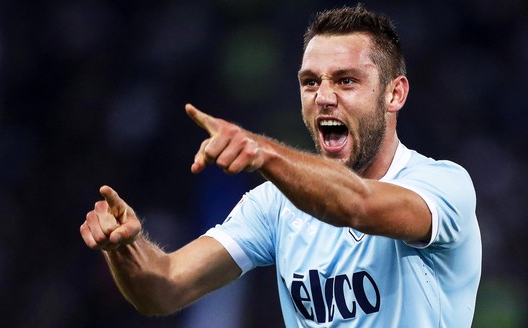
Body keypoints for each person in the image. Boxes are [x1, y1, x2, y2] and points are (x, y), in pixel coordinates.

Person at [80, 4, 482, 327]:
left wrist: (262, 153)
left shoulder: (443, 186)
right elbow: (164, 288)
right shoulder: (274, 206)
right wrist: (126, 249)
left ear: (394, 94)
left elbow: (356, 206)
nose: (323, 96)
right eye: (310, 82)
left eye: (346, 81)